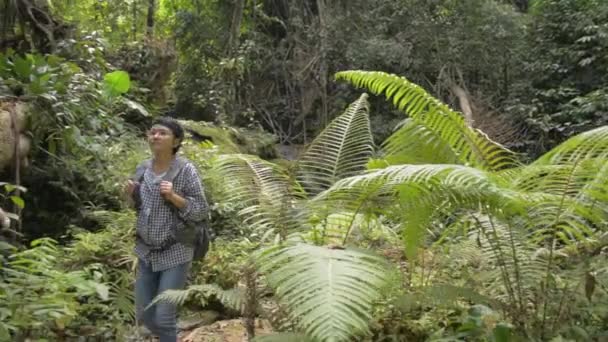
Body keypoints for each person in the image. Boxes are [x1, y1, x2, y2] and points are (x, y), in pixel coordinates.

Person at [125, 116, 207, 342]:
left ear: (176, 141)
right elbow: (137, 208)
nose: (156, 136)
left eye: (162, 133)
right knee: (145, 314)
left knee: (164, 317)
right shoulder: (142, 169)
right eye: (153, 132)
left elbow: (200, 210)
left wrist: (173, 196)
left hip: (176, 250)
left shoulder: (185, 170)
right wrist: (130, 196)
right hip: (146, 251)